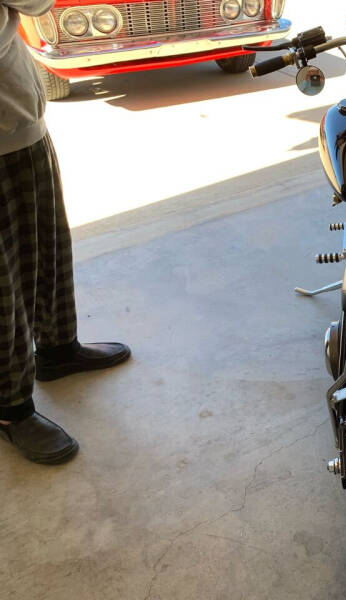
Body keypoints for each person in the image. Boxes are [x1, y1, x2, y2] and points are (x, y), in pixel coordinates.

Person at [0, 0, 130, 464]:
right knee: (2, 288)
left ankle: (57, 349)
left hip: (20, 124)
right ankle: (11, 409)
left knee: (48, 247)